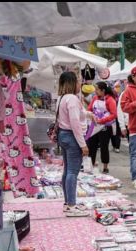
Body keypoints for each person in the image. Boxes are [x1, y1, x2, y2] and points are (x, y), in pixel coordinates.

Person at [55, 71, 89, 217]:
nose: (80, 84)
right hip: (72, 136)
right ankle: (71, 205)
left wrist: (88, 114)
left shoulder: (61, 98)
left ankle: (68, 202)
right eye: (78, 81)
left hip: (63, 135)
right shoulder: (73, 99)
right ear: (73, 82)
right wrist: (83, 144)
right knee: (72, 172)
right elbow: (75, 122)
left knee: (67, 170)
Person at [86, 81, 117, 174]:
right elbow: (89, 109)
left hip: (105, 127)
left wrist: (102, 120)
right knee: (92, 146)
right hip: (94, 126)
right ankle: (91, 165)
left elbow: (114, 114)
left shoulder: (110, 99)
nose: (95, 91)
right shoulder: (95, 98)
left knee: (104, 147)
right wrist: (92, 115)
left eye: (97, 89)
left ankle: (105, 167)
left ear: (103, 90)